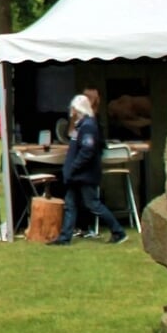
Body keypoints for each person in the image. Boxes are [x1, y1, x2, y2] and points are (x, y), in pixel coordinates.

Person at [51, 94, 126, 246]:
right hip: (77, 175)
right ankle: (65, 238)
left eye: (72, 107)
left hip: (84, 175)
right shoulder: (81, 125)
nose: (70, 110)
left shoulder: (88, 127)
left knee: (93, 204)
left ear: (78, 109)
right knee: (70, 204)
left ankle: (118, 232)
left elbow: (87, 151)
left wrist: (73, 167)